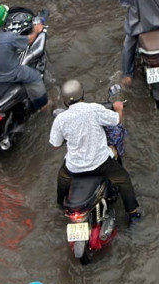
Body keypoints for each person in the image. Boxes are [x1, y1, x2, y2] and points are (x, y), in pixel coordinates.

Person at [49, 78, 139, 219]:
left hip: (73, 168)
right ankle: (133, 213)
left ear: (65, 101)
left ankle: (61, 207)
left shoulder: (61, 119)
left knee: (62, 180)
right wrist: (119, 108)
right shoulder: (94, 109)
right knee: (123, 179)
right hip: (100, 164)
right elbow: (116, 120)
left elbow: (55, 144)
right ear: (82, 94)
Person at [0, 3, 48, 109]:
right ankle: (43, 105)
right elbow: (29, 40)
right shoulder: (10, 38)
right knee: (35, 77)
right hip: (9, 74)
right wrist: (36, 31)